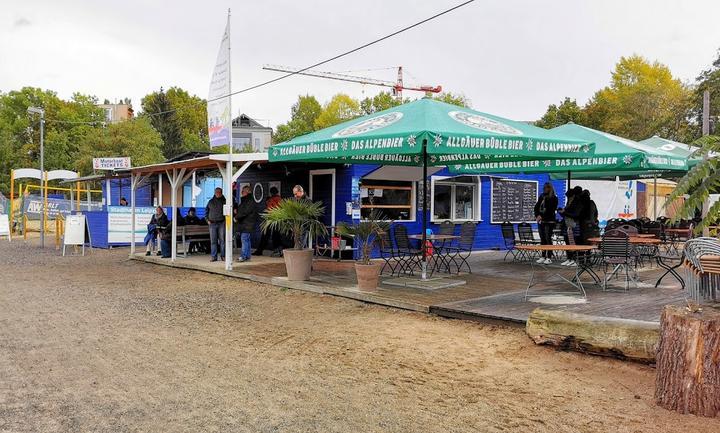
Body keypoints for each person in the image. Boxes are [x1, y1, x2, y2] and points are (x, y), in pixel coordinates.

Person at [558, 186, 585, 266]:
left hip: (574, 224)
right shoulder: (569, 202)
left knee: (574, 242)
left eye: (569, 197)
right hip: (567, 224)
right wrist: (562, 212)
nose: (568, 198)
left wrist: (564, 212)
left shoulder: (578, 202)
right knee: (567, 241)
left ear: (573, 195)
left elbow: (576, 214)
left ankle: (575, 259)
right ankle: (569, 258)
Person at [253, 186, 282, 256]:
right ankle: (276, 251)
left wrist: (268, 201)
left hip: (273, 218)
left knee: (270, 235)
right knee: (273, 235)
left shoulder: (275, 199)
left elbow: (271, 208)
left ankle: (262, 250)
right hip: (273, 218)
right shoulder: (278, 199)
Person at [534, 182, 558, 264]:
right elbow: (536, 207)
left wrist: (542, 216)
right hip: (541, 221)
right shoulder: (541, 196)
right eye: (544, 187)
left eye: (547, 187)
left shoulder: (554, 198)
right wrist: (537, 215)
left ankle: (549, 257)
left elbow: (551, 210)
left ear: (550, 188)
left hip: (549, 221)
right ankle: (543, 256)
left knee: (548, 238)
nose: (545, 189)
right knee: (542, 239)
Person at [234, 185, 258, 262]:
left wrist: (236, 217)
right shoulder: (246, 200)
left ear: (247, 192)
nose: (241, 193)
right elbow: (243, 210)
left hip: (247, 224)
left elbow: (245, 212)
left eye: (243, 191)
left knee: (244, 239)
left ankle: (243, 256)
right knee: (247, 240)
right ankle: (247, 256)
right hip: (247, 223)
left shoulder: (249, 201)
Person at [205, 187, 226, 262]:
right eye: (216, 192)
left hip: (221, 223)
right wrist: (207, 220)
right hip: (212, 224)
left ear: (221, 193)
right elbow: (206, 211)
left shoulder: (225, 201)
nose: (218, 193)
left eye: (219, 192)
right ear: (214, 193)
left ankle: (223, 256)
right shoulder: (210, 202)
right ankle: (214, 257)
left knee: (222, 241)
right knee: (213, 241)